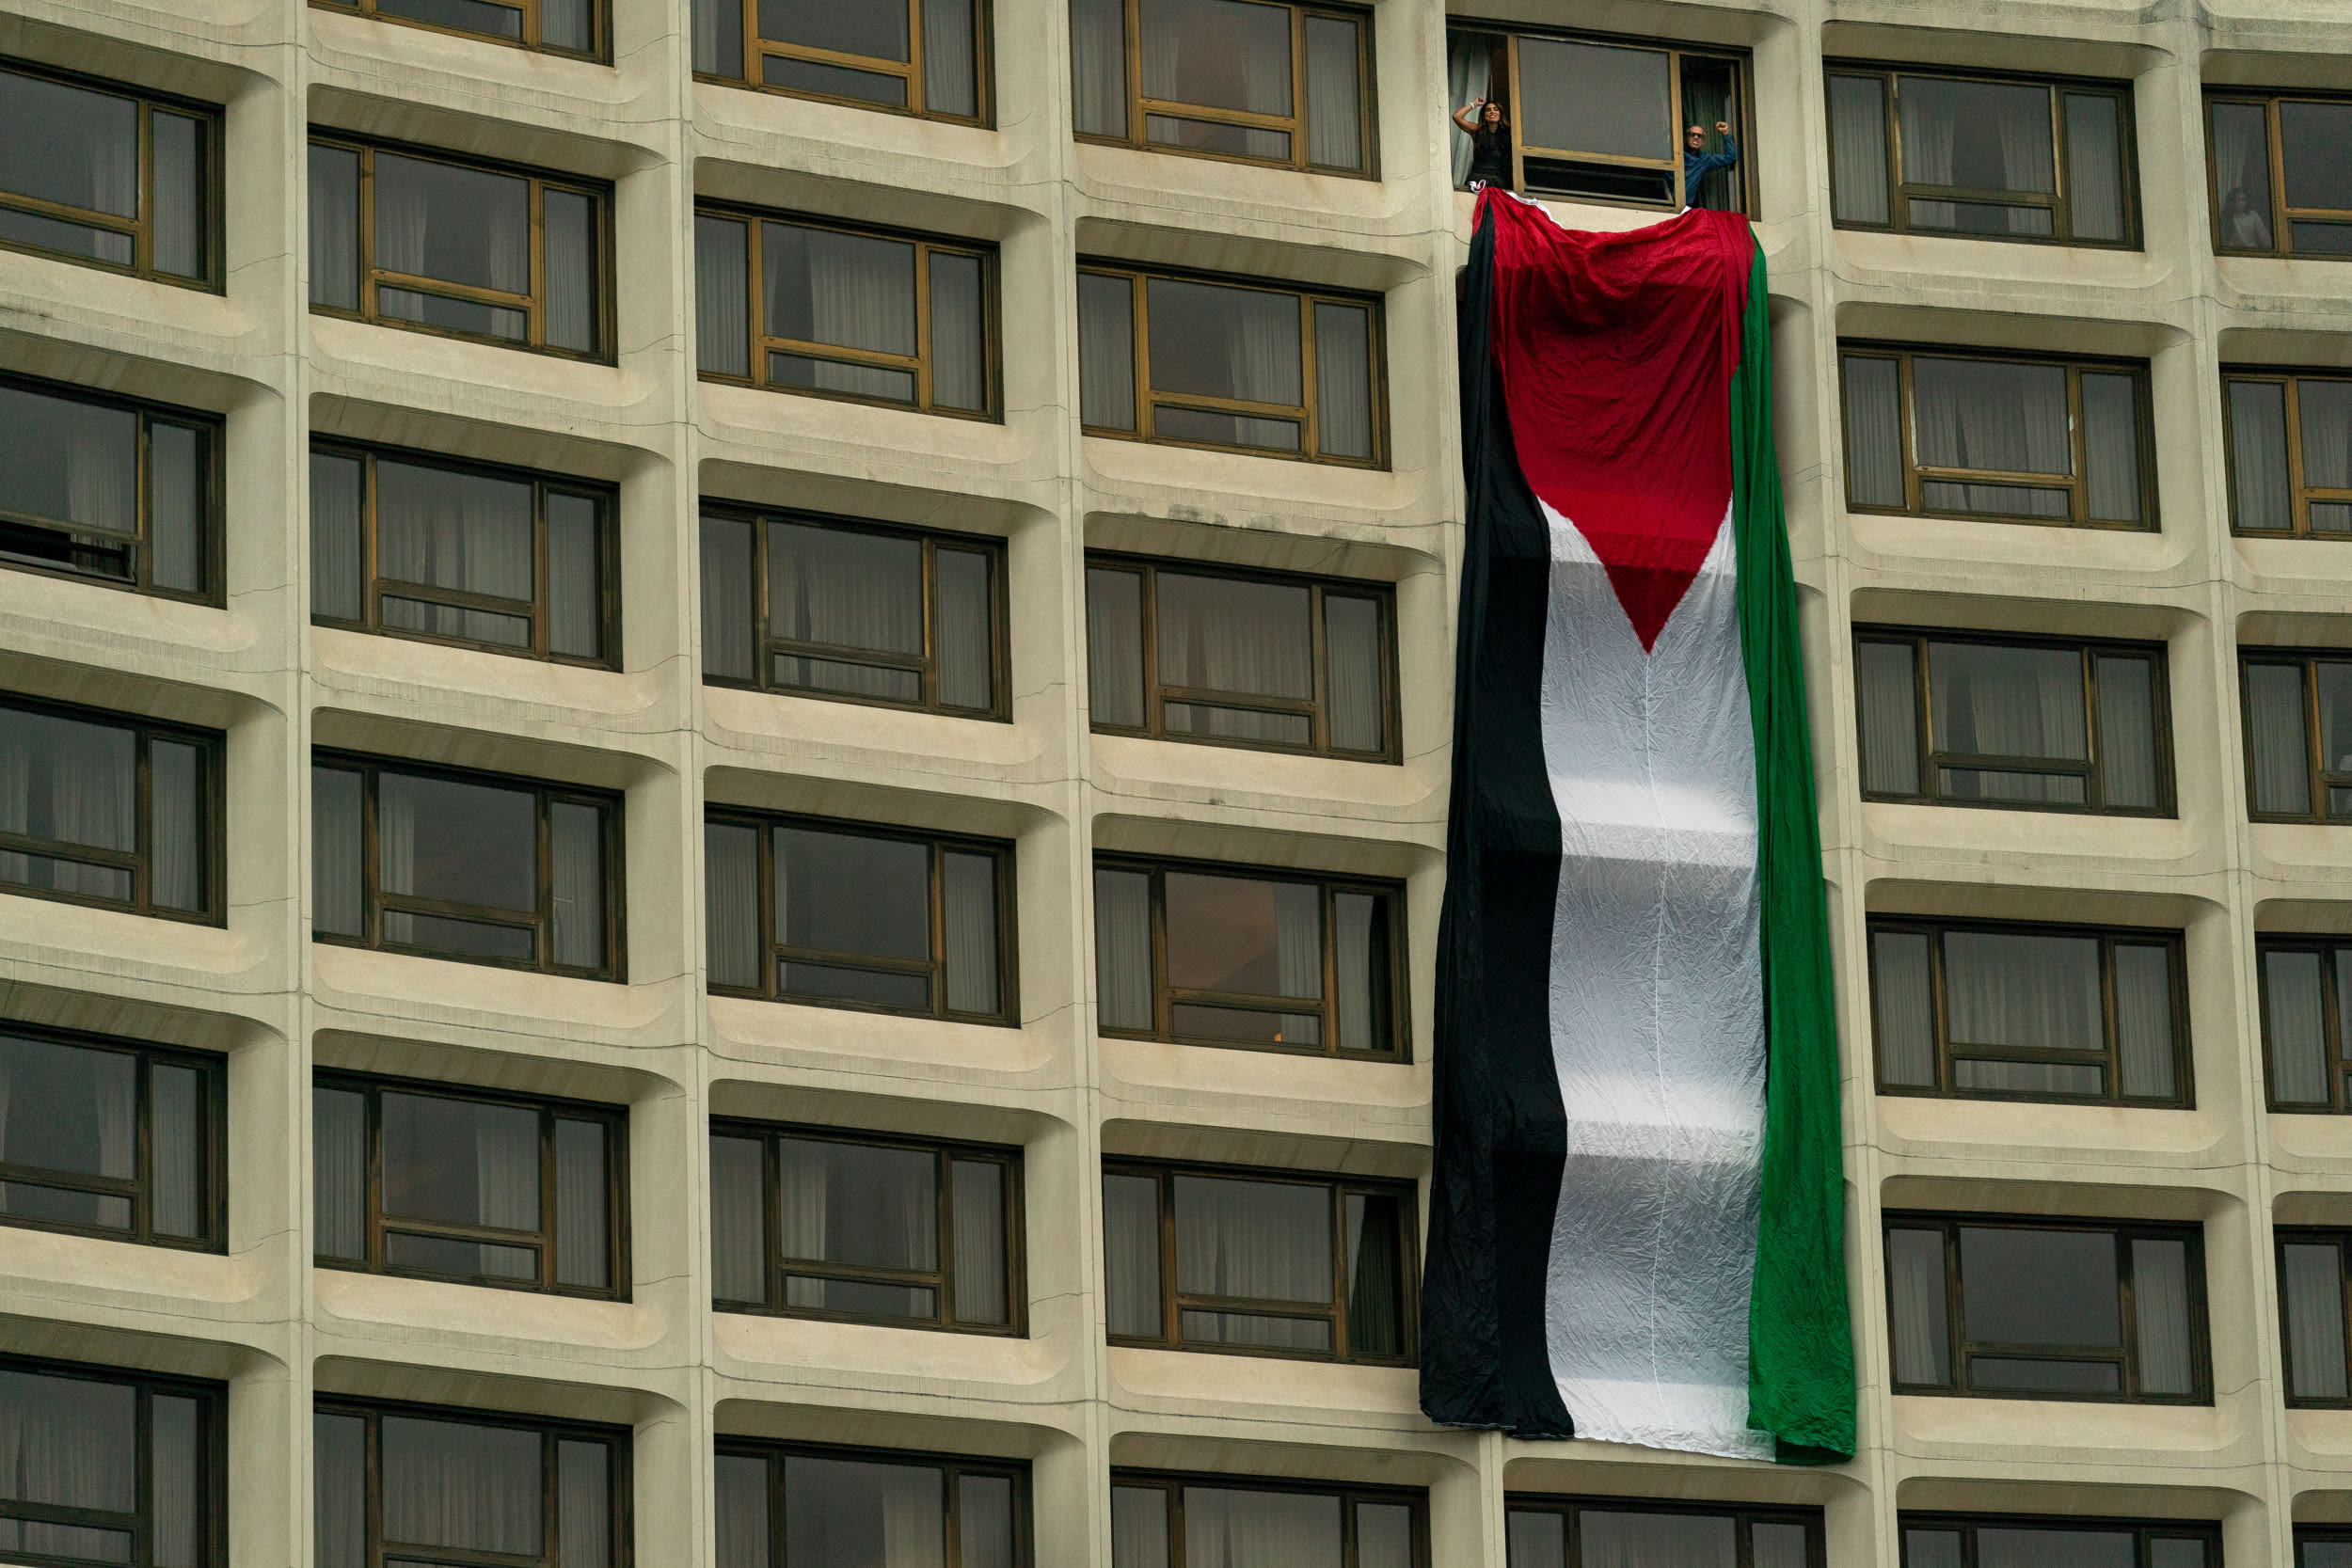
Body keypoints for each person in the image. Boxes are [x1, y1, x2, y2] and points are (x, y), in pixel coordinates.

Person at [1453, 97, 1514, 191]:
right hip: (1477, 178)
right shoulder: (1477, 130)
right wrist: (1475, 104)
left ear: (1500, 114)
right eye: (1488, 110)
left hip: (1497, 180)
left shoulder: (1508, 133)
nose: (1492, 112)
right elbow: (1457, 117)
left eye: (1495, 109)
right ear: (1484, 115)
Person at [1683, 120, 1739, 210]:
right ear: (1686, 138)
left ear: (1703, 142)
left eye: (1700, 136)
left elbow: (1730, 157)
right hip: (1666, 202)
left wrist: (1725, 133)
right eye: (1693, 134)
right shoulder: (1676, 155)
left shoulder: (1705, 159)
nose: (1696, 137)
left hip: (1685, 208)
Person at [2219, 185, 2273, 250]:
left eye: (2243, 200)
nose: (2240, 203)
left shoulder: (2253, 215)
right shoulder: (2227, 217)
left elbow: (2264, 238)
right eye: (2236, 200)